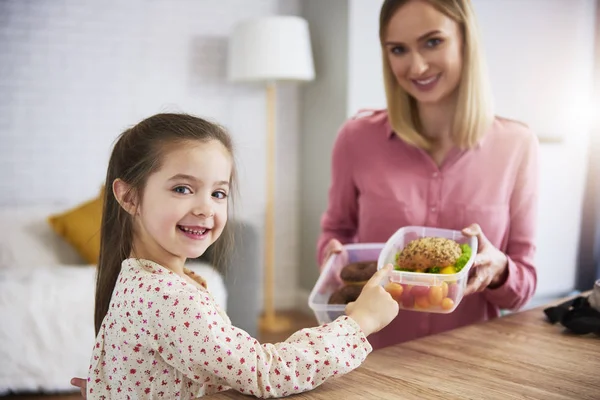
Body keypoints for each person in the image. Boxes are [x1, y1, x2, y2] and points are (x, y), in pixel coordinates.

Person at [69, 113, 399, 398]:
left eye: (218, 193)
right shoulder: (169, 296)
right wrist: (359, 322)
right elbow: (265, 373)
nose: (205, 208)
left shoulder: (139, 277)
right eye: (182, 188)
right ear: (129, 197)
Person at [318, 0, 539, 350]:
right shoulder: (355, 139)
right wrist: (333, 259)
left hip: (471, 361)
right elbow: (336, 233)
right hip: (373, 355)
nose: (416, 66)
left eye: (433, 42)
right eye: (398, 49)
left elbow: (522, 289)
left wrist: (499, 270)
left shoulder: (517, 144)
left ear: (466, 39)